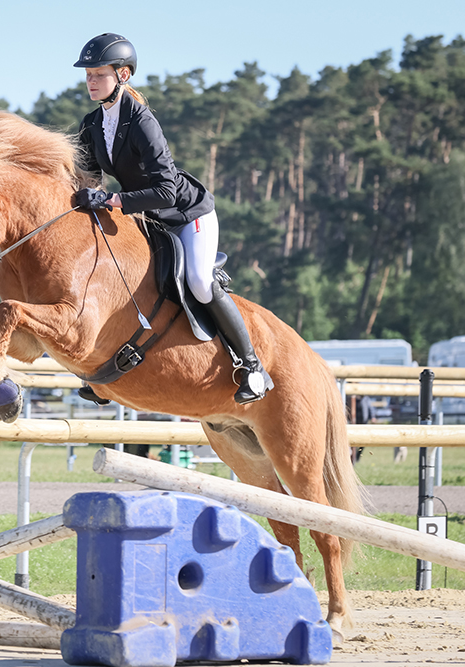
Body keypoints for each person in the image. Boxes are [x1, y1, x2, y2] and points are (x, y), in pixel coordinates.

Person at [71, 33, 272, 405]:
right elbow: (85, 175)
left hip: (185, 214)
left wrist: (112, 198)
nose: (91, 81)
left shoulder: (142, 121)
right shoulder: (92, 123)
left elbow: (166, 191)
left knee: (197, 281)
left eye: (99, 74)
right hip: (147, 218)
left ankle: (252, 365)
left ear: (124, 75)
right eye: (88, 75)